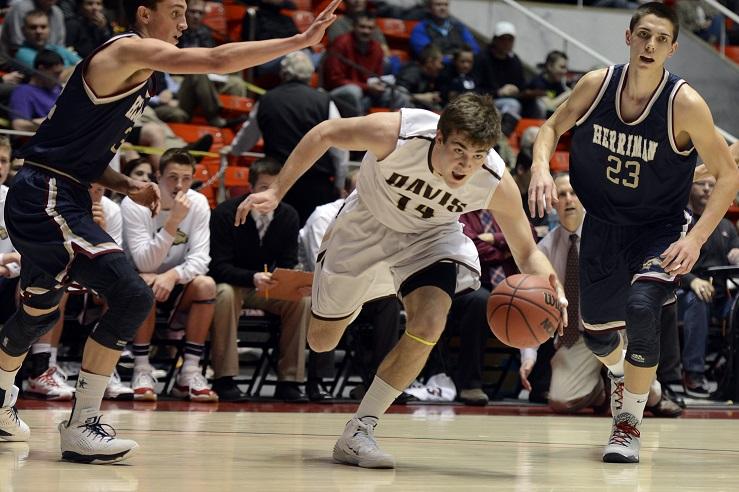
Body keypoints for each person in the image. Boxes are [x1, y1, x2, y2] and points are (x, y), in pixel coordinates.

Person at [0, 0, 341, 463]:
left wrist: (125, 184)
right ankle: (81, 425)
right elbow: (218, 60)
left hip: (59, 187)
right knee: (132, 294)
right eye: (176, 12)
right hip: (47, 194)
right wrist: (299, 42)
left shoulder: (130, 65)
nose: (185, 24)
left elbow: (72, 148)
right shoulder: (126, 52)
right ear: (144, 13)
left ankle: (1, 402)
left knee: (39, 311)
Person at [236, 92, 566, 468]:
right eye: (459, 150)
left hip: (429, 241)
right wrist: (277, 189)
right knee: (322, 340)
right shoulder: (398, 133)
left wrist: (554, 290)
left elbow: (526, 251)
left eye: (477, 156)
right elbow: (325, 132)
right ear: (439, 136)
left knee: (429, 322)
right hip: (365, 231)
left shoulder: (493, 179)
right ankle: (357, 295)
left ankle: (360, 430)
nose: (465, 165)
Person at [528, 2, 739, 464]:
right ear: (628, 37)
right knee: (600, 338)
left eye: (661, 39)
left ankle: (628, 425)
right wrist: (541, 166)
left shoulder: (684, 104)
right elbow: (549, 126)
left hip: (657, 229)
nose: (650, 46)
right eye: (643, 35)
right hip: (601, 226)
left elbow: (727, 174)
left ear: (673, 48)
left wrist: (695, 238)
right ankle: (629, 375)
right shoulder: (596, 84)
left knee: (643, 307)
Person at [519, 174, 681, 418]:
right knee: (561, 401)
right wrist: (528, 355)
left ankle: (655, 397)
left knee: (642, 389)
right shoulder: (544, 250)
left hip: (619, 328)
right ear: (554, 203)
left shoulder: (612, 233)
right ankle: (601, 390)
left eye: (573, 193)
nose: (568, 199)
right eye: (561, 195)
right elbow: (533, 305)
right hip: (578, 336)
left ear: (584, 199)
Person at [209, 158, 333, 402]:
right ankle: (225, 378)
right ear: (251, 188)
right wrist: (251, 277)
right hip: (235, 283)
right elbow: (217, 266)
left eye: (276, 188)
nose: (269, 194)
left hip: (267, 287)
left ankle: (289, 380)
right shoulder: (225, 213)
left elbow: (287, 261)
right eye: (263, 187)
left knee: (301, 302)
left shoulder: (288, 215)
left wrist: (286, 280)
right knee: (223, 294)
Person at [122, 148, 217, 403]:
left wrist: (173, 275)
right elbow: (145, 261)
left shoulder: (197, 203)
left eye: (186, 179)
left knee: (206, 285)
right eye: (172, 177)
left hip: (177, 282)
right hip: (138, 281)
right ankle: (142, 369)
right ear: (158, 176)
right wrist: (173, 221)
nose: (179, 185)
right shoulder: (135, 202)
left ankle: (189, 372)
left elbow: (201, 259)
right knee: (144, 281)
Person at [231, 50, 348, 224]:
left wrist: (233, 150)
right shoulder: (324, 101)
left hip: (278, 183)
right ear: (310, 75)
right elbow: (340, 148)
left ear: (283, 73)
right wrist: (339, 183)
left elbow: (247, 138)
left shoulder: (266, 100)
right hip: (316, 186)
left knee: (280, 240)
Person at [677, 174, 739, 398]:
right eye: (701, 184)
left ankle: (731, 372)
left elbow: (735, 255)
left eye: (711, 186)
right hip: (685, 292)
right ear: (690, 188)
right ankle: (693, 374)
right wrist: (693, 281)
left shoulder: (726, 227)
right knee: (698, 301)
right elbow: (668, 262)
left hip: (723, 296)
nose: (706, 189)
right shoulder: (680, 222)